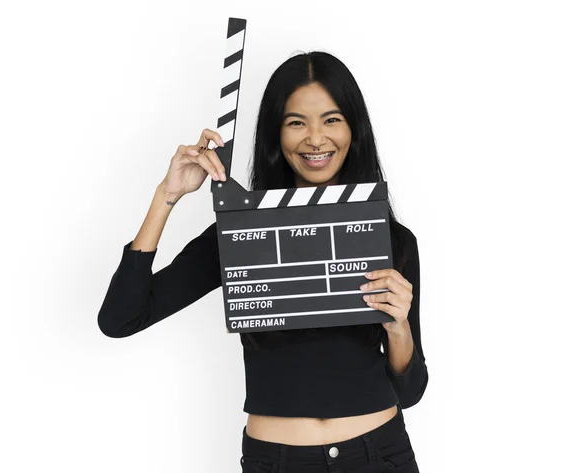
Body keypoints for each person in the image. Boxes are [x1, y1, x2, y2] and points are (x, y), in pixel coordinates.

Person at [98, 51, 429, 473]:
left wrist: (398, 326)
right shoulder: (239, 238)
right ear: (275, 134)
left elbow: (412, 391)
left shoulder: (393, 241)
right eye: (296, 122)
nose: (315, 139)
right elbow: (121, 318)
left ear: (353, 129)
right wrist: (167, 195)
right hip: (276, 461)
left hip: (379, 455)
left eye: (331, 119)